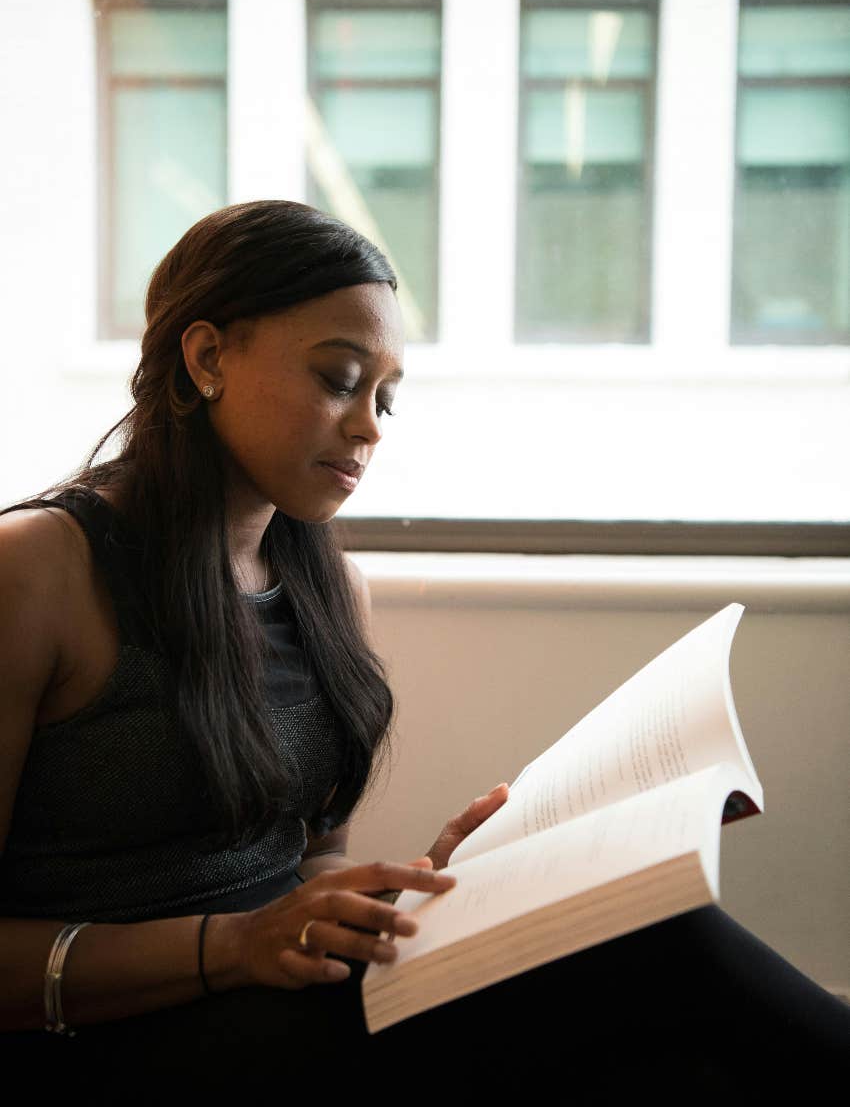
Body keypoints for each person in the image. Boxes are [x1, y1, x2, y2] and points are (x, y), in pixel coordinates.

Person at [0, 201, 846, 1099]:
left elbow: (308, 860)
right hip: (114, 1041)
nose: (369, 426)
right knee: (654, 962)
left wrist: (427, 891)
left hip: (280, 1008)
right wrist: (237, 945)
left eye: (385, 397)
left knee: (649, 1011)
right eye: (338, 378)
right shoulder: (41, 571)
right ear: (208, 357)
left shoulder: (329, 588)